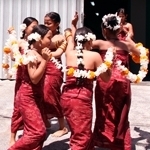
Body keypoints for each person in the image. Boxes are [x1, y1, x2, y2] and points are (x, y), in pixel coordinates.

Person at [60, 13, 112, 150]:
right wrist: (109, 63)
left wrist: (73, 25)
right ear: (90, 41)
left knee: (78, 132)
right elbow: (106, 78)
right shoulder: (95, 56)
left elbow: (70, 40)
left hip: (66, 98)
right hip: (81, 101)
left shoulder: (69, 53)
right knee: (81, 137)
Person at [90, 13, 140, 150]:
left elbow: (82, 43)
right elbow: (141, 54)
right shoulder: (125, 45)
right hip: (122, 83)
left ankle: (105, 140)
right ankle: (120, 141)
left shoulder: (100, 43)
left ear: (104, 30)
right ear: (119, 30)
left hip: (105, 82)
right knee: (120, 113)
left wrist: (74, 27)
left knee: (104, 112)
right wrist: (129, 38)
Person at [8, 24, 52, 150]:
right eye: (48, 37)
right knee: (38, 132)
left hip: (36, 96)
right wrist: (44, 61)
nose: (51, 41)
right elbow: (34, 78)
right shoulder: (31, 54)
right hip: (27, 97)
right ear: (39, 38)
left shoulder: (39, 52)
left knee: (32, 131)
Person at [9, 17, 38, 146]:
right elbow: (13, 57)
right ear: (25, 28)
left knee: (36, 106)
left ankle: (30, 132)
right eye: (33, 26)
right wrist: (14, 45)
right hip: (22, 79)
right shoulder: (20, 42)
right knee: (18, 107)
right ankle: (12, 136)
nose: (35, 29)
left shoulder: (38, 43)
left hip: (36, 79)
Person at [43, 12, 68, 137]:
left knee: (52, 95)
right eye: (45, 23)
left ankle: (63, 127)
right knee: (40, 95)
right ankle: (45, 121)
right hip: (41, 67)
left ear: (57, 24)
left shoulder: (60, 37)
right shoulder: (41, 35)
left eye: (49, 23)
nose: (46, 25)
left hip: (53, 69)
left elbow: (57, 53)